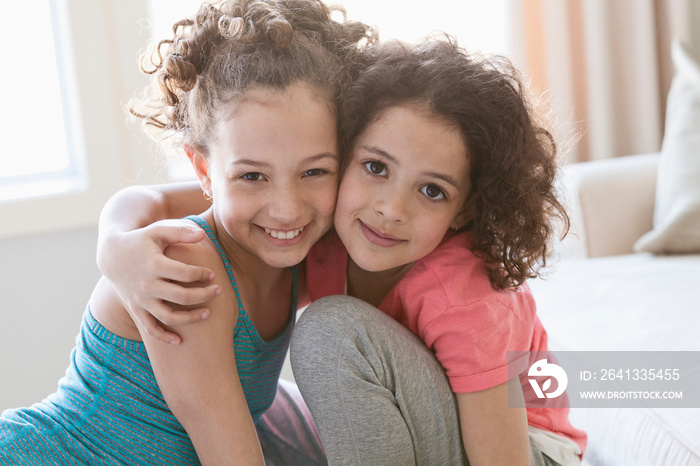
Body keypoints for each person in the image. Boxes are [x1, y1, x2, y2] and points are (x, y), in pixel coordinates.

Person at [95, 39, 586, 465]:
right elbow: (192, 200)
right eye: (375, 167)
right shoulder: (314, 222)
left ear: (464, 211)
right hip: (417, 416)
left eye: (432, 191)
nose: (391, 209)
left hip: (523, 446)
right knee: (249, 418)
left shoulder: (464, 294)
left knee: (330, 332)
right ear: (342, 158)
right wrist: (115, 241)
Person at [0, 1, 375, 464]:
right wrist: (114, 243)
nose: (285, 209)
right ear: (203, 169)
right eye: (252, 177)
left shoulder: (298, 251)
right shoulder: (191, 264)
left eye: (315, 172)